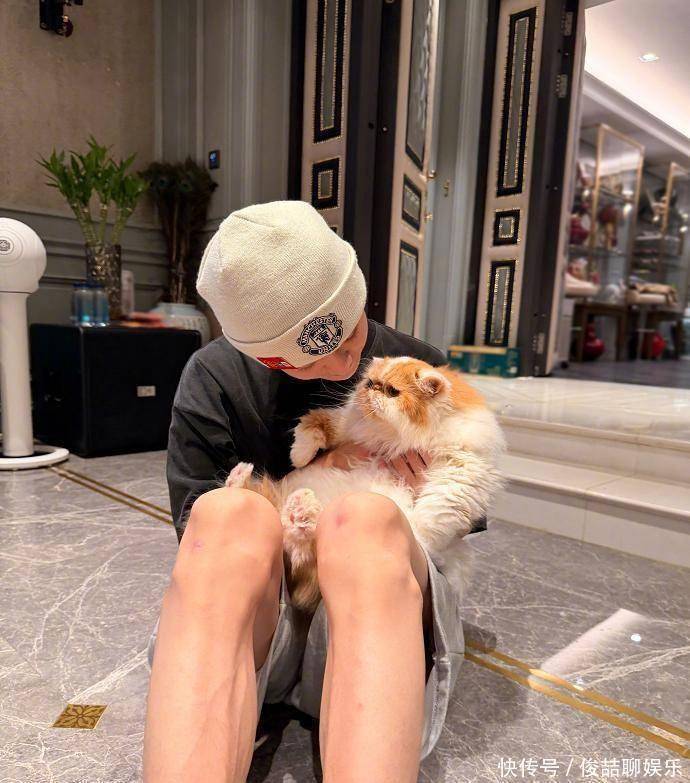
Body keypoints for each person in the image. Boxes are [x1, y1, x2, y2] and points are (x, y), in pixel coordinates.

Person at [142, 201, 466, 783]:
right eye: (313, 360)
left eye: (352, 334)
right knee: (225, 518)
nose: (345, 364)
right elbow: (197, 530)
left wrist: (427, 483)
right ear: (266, 357)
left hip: (377, 620)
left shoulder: (418, 367)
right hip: (256, 627)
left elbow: (465, 508)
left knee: (363, 524)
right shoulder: (215, 376)